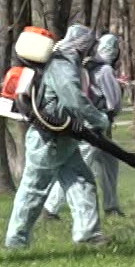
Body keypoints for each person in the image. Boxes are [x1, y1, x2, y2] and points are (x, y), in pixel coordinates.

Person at [6, 25, 108, 248]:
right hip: (48, 141)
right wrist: (99, 119)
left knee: (82, 181)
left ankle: (88, 234)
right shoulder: (62, 66)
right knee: (33, 190)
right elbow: (75, 100)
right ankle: (16, 240)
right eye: (91, 45)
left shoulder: (65, 62)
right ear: (83, 45)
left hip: (64, 140)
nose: (92, 50)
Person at [46, 30, 125, 218]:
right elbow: (113, 102)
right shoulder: (105, 70)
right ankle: (50, 208)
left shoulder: (87, 66)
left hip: (93, 124)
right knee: (76, 167)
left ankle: (112, 206)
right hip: (95, 126)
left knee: (110, 163)